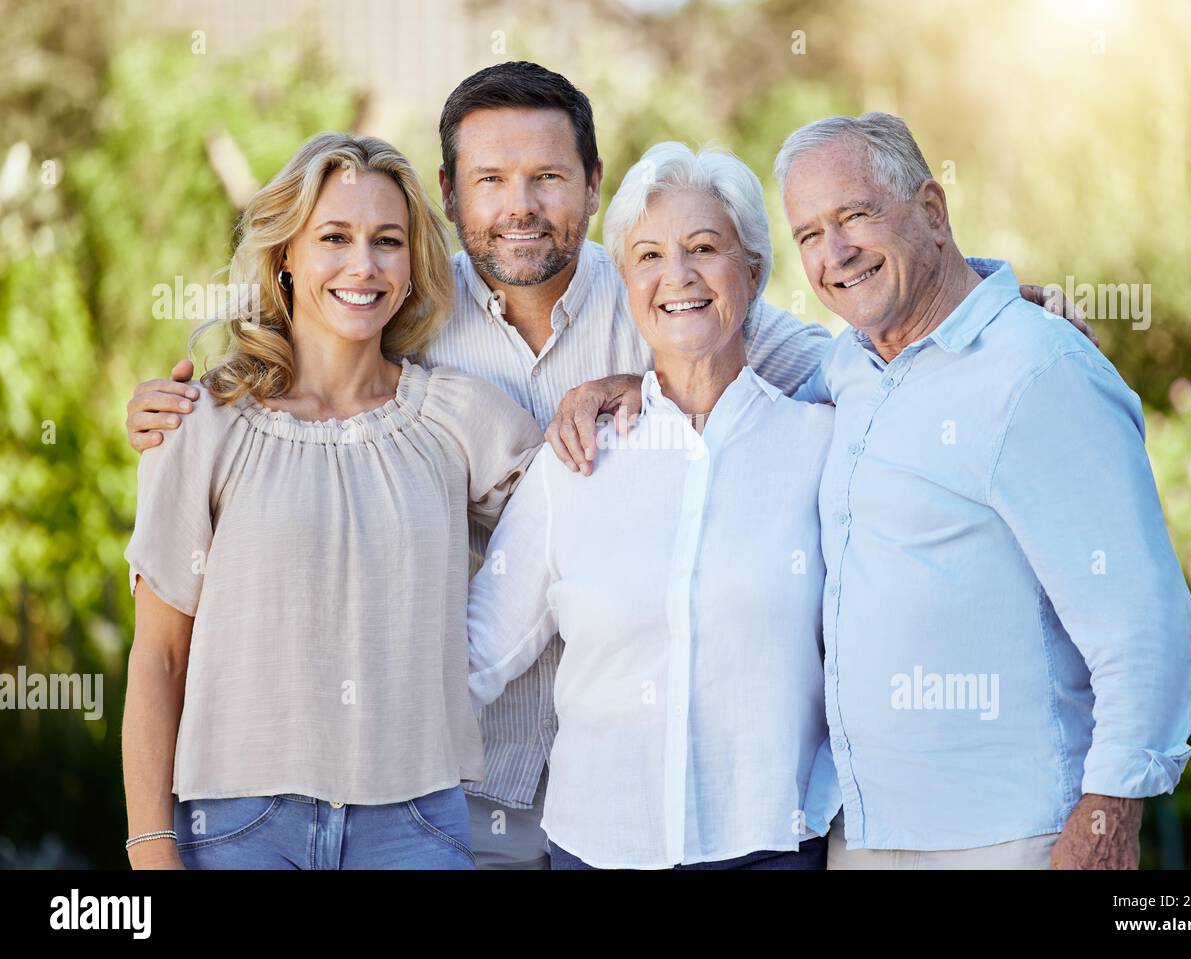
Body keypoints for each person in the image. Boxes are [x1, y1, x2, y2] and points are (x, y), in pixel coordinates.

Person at [122, 62, 1087, 869]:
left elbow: (847, 358)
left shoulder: (663, 291)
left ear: (591, 182)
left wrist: (978, 315)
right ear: (453, 197)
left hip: (649, 795)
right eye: (490, 181)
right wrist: (191, 407)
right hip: (466, 786)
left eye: (547, 177)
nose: (520, 207)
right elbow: (308, 387)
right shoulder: (412, 315)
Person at [773, 112, 1191, 869]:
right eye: (808, 234)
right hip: (865, 833)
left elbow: (1141, 615)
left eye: (855, 216)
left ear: (933, 213)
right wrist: (615, 387)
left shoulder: (1038, 367)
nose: (834, 253)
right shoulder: (847, 368)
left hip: (1010, 837)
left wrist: (1109, 813)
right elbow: (715, 375)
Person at [121, 133, 541, 869]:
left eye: (387, 240)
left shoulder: (457, 418)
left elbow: (589, 505)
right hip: (237, 826)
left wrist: (623, 393)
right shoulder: (204, 421)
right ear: (286, 255)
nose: (363, 264)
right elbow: (158, 656)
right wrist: (151, 848)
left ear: (412, 265)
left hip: (415, 826)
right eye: (335, 237)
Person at [468, 143, 837, 869]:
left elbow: (905, 346)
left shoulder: (820, 444)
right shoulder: (575, 461)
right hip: (597, 844)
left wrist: (1007, 296)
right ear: (628, 284)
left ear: (754, 270)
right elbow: (478, 651)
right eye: (649, 256)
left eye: (705, 248)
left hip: (769, 840)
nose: (679, 276)